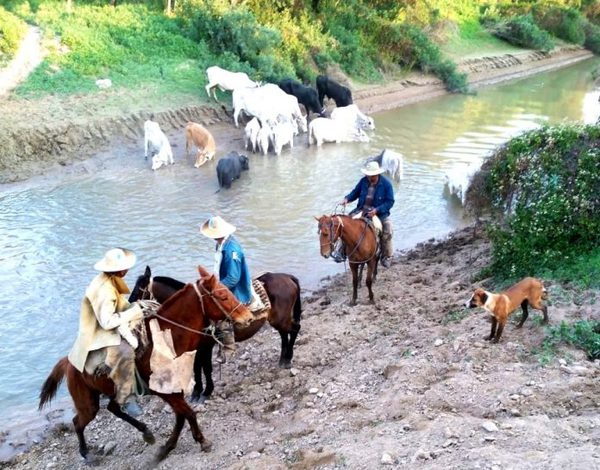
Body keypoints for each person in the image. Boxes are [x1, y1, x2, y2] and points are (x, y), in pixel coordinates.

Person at [68, 248, 145, 416]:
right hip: (97, 332)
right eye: (125, 267)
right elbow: (108, 322)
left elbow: (120, 304)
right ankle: (126, 398)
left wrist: (138, 308)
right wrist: (133, 312)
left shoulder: (110, 279)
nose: (127, 270)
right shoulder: (105, 290)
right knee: (125, 352)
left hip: (103, 323)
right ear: (120, 269)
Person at [200, 216, 262, 351]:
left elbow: (233, 278)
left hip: (236, 287)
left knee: (221, 315)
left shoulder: (231, 249)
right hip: (223, 282)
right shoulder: (221, 243)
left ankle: (228, 345)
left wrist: (216, 288)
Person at [334, 160, 395, 267]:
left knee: (388, 229)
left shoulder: (386, 185)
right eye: (368, 175)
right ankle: (341, 251)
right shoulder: (363, 181)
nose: (369, 178)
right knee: (344, 225)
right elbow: (355, 193)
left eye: (372, 176)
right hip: (361, 210)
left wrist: (377, 210)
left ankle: (386, 256)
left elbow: (390, 201)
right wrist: (346, 199)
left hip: (379, 214)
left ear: (377, 174)